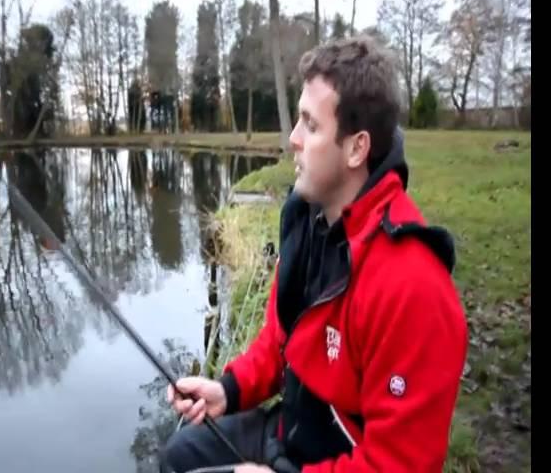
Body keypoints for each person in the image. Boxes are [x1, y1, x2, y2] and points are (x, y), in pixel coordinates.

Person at [162, 35, 468, 473]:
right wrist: (228, 390)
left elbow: (402, 464)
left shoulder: (412, 287)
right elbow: (281, 340)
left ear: (357, 147)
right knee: (176, 457)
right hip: (288, 431)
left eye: (310, 124)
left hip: (337, 461)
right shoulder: (309, 222)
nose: (293, 138)